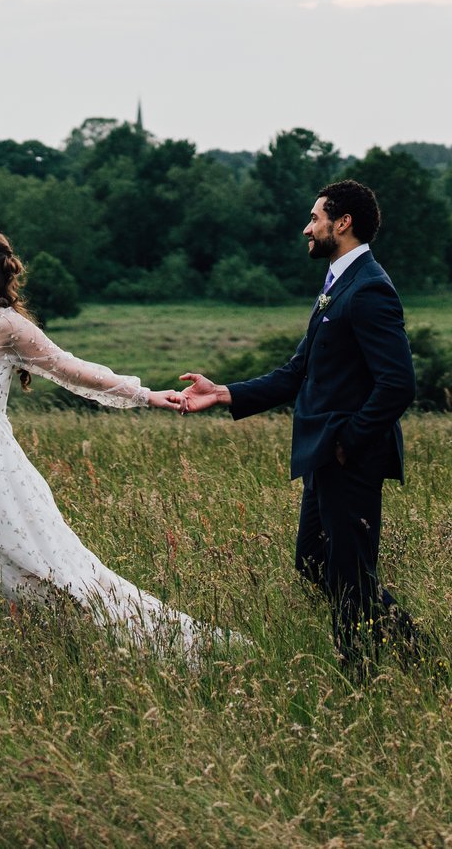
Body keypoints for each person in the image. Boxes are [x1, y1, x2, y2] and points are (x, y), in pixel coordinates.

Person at [0, 224, 231, 658]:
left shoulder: (5, 325)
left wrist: (145, 394)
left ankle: (161, 639)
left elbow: (69, 368)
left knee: (49, 563)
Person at [175, 179, 420, 667]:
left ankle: (367, 673)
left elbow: (398, 384)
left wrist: (349, 440)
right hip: (324, 457)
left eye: (315, 218)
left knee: (350, 577)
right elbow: (298, 372)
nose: (307, 228)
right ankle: (413, 651)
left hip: (349, 457)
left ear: (342, 223)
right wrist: (224, 393)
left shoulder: (369, 288)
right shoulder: (338, 283)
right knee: (314, 562)